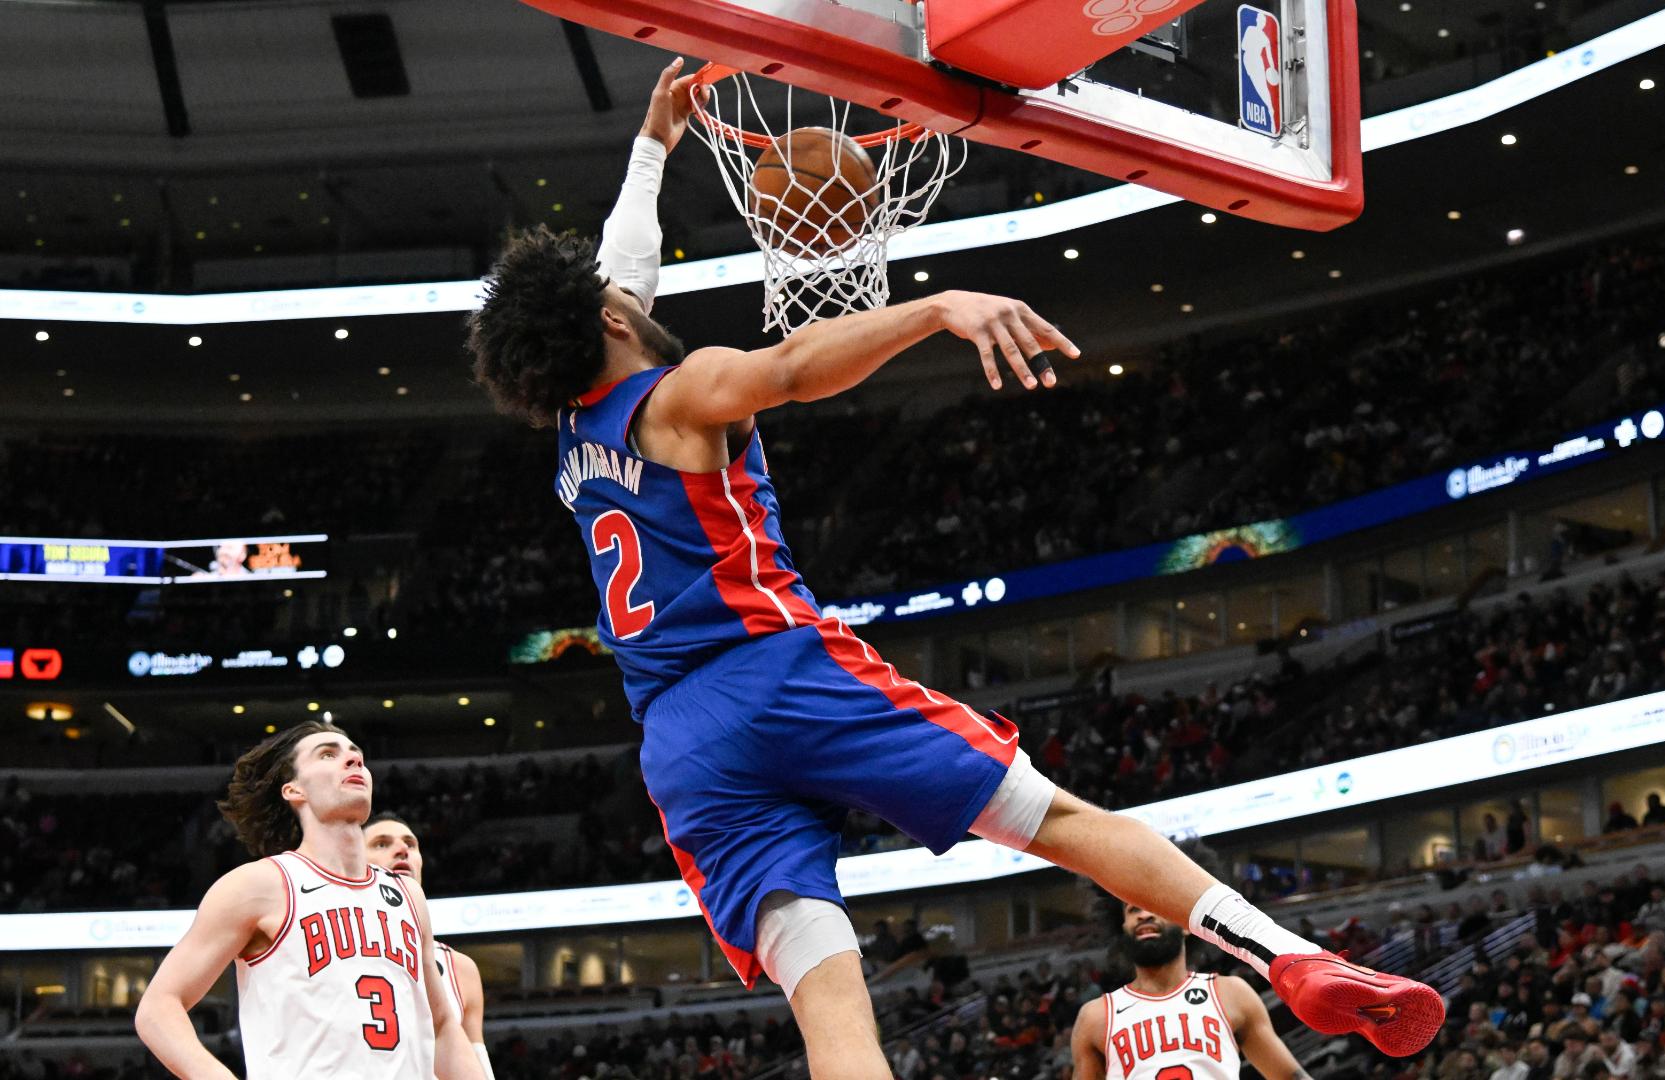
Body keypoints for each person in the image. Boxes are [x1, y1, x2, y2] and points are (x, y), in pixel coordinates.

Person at [465, 58, 1444, 1079]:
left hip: (679, 747)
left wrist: (655, 146)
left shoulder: (579, 433)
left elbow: (623, 269)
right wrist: (935, 310)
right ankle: (1291, 959)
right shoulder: (683, 392)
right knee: (1056, 822)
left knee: (832, 1006)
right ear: (612, 321)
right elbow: (793, 367)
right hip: (773, 673)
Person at [133, 722, 484, 1080]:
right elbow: (158, 1008)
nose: (352, 760)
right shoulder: (260, 885)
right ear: (293, 789)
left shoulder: (408, 896)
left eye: (356, 756)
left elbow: (442, 1028)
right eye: (329, 754)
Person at [1070, 893, 1306, 1079]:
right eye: (1133, 910)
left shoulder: (1231, 993)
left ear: (1185, 923)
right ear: (1122, 929)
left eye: (1152, 905)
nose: (1143, 915)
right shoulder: (1096, 1016)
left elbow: (1289, 1076)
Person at [364, 812, 491, 1079]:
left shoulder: (460, 968)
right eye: (382, 844)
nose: (401, 850)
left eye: (410, 844)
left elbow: (477, 1064)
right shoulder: (333, 944)